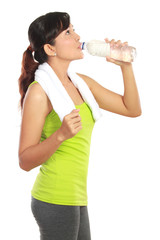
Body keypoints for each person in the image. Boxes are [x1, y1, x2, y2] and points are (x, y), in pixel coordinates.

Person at [18, 11, 141, 240]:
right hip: (53, 197)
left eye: (74, 30)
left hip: (76, 197)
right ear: (50, 49)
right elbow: (24, 161)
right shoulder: (39, 92)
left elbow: (131, 109)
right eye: (68, 32)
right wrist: (60, 135)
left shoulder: (82, 84)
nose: (77, 37)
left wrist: (125, 66)